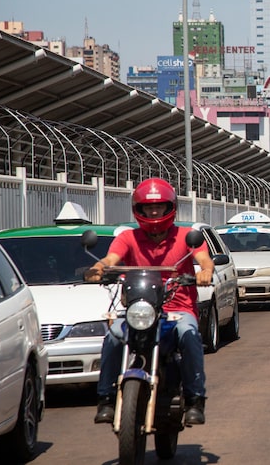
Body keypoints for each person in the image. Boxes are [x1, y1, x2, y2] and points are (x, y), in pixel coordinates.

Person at [86, 178, 213, 426]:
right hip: (140, 309)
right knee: (112, 335)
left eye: (159, 207)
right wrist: (98, 268)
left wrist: (205, 272)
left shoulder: (187, 237)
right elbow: (111, 258)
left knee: (189, 334)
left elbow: (204, 259)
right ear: (139, 210)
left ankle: (195, 398)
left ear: (170, 208)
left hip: (178, 310)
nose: (154, 212)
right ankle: (106, 399)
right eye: (148, 207)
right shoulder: (128, 238)